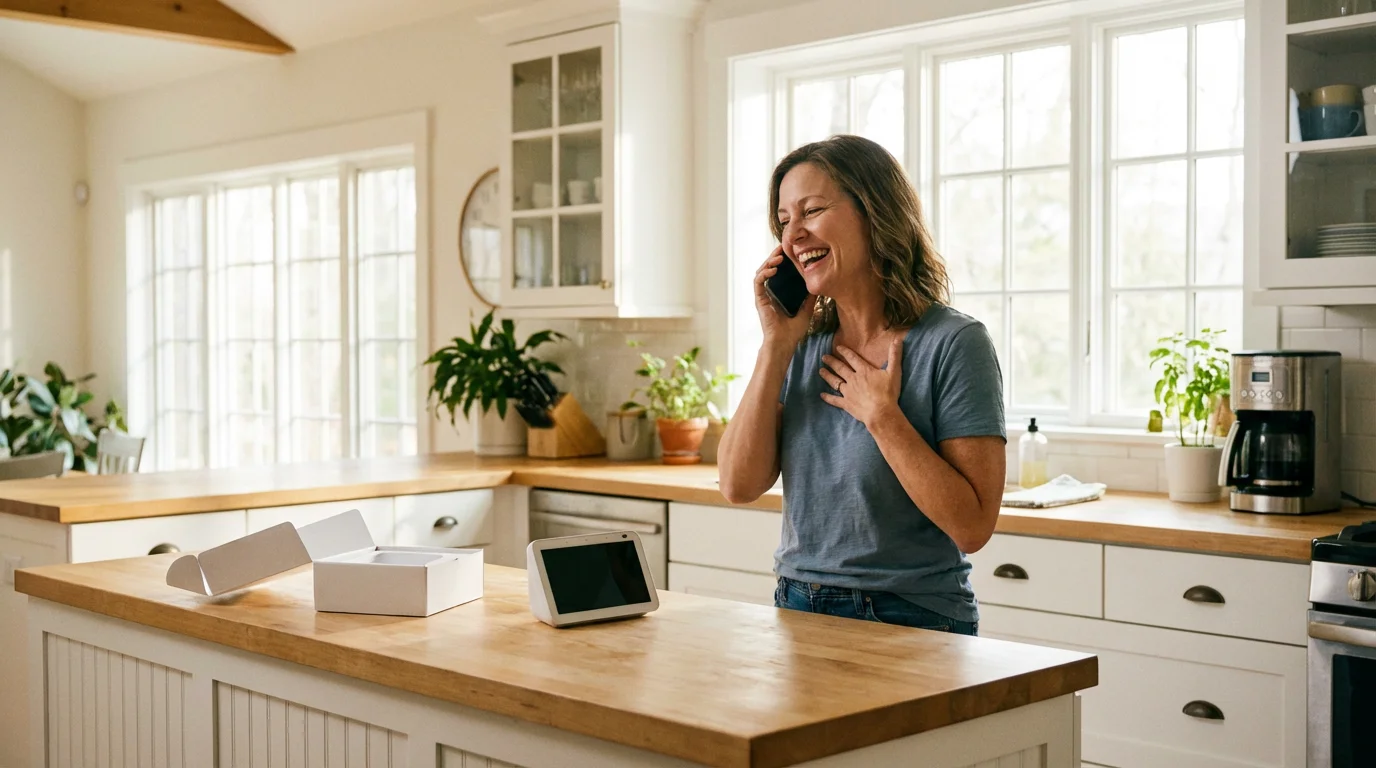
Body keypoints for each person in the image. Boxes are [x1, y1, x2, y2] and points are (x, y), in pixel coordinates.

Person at [717, 135, 1006, 636]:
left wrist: (883, 417)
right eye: (784, 221)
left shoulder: (955, 343)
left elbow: (973, 527)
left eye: (811, 210)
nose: (794, 236)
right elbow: (738, 485)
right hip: (797, 602)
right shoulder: (799, 346)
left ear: (875, 211)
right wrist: (775, 346)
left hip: (911, 613)